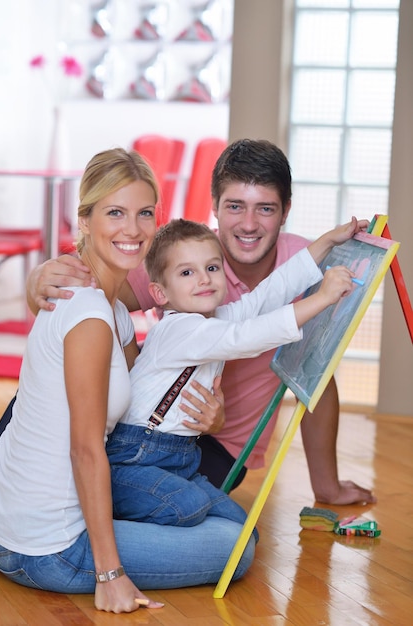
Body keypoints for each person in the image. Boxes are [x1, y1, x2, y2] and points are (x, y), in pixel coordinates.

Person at [26, 139, 376, 506]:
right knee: (189, 520)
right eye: (235, 206)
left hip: (217, 446)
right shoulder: (182, 259)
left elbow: (313, 366)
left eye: (266, 208)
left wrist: (327, 486)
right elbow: (92, 298)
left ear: (286, 210)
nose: (249, 224)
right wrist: (40, 279)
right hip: (144, 434)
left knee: (226, 530)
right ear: (215, 207)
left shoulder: (296, 264)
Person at [0, 148, 256, 615]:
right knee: (239, 546)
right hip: (48, 546)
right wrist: (110, 574)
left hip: (19, 523)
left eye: (144, 213)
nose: (132, 229)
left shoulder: (112, 310)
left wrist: (211, 422)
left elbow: (143, 396)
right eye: (115, 213)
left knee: (237, 525)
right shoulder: (91, 315)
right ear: (85, 219)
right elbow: (86, 448)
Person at [106, 216, 364, 530]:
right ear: (161, 294)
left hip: (178, 457)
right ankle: (111, 513)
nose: (204, 279)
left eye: (212, 268)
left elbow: (267, 295)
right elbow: (246, 337)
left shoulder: (214, 319)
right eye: (187, 272)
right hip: (137, 455)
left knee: (240, 527)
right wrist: (322, 298)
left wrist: (326, 242)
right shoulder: (181, 329)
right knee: (190, 507)